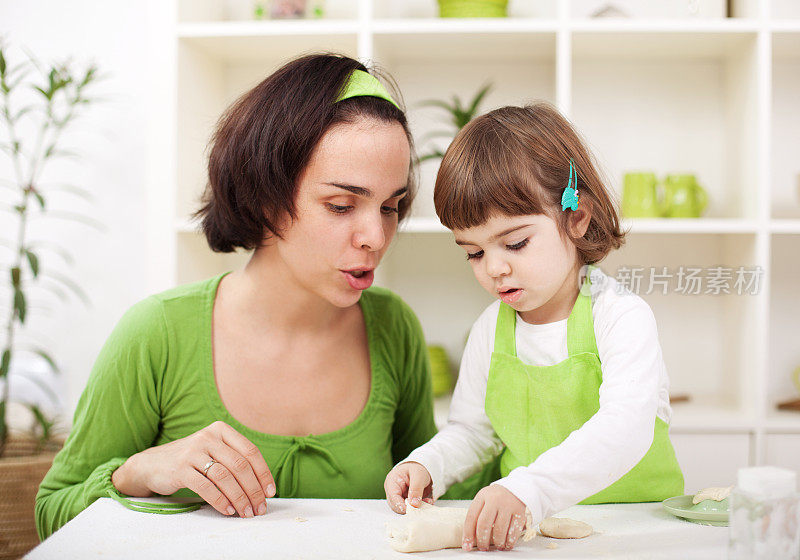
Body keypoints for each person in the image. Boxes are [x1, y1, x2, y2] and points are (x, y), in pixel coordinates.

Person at [36, 53, 439, 539]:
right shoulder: (158, 332)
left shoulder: (393, 328)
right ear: (266, 195)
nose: (375, 235)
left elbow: (442, 499)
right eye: (341, 205)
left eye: (391, 207)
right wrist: (136, 474)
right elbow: (52, 513)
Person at [384, 103, 684, 552]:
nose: (495, 269)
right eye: (474, 252)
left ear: (576, 217)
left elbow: (626, 427)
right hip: (534, 536)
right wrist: (428, 464)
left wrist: (530, 490)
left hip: (637, 531)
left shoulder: (620, 315)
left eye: (515, 242)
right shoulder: (491, 329)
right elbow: (473, 432)